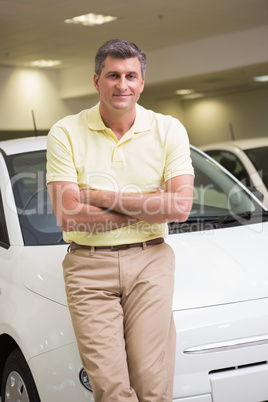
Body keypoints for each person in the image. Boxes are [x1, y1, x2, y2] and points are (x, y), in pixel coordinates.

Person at [46, 38, 194, 402]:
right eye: (113, 75)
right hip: (88, 266)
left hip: (151, 261)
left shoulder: (168, 129)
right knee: (111, 389)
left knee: (151, 385)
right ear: (97, 81)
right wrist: (149, 205)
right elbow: (69, 215)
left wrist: (98, 196)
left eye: (131, 76)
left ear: (142, 82)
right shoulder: (65, 132)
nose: (122, 85)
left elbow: (179, 208)